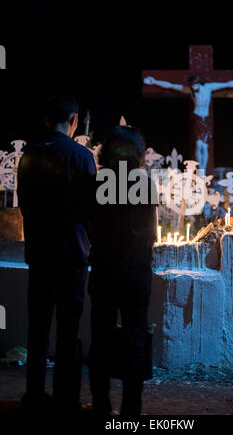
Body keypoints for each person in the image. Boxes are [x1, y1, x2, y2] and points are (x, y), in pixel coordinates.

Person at [17, 95, 97, 415]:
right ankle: (67, 398)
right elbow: (90, 210)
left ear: (47, 121)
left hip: (39, 252)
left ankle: (34, 396)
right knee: (69, 329)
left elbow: (24, 204)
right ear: (74, 120)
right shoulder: (82, 156)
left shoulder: (29, 156)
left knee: (37, 328)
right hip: (72, 254)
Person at [88, 125, 156, 417]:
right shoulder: (143, 183)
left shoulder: (99, 182)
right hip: (137, 272)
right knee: (135, 337)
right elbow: (151, 232)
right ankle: (131, 409)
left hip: (104, 269)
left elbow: (90, 225)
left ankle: (101, 405)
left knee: (101, 338)